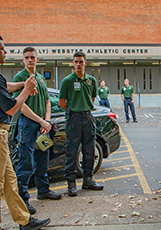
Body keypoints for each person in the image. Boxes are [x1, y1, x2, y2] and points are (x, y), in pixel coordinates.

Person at [0, 34, 50, 230]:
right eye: (2, 49)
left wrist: (23, 85)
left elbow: (5, 87)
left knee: (9, 181)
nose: (5, 52)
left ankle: (24, 220)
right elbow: (12, 108)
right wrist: (27, 89)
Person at [13, 46, 62, 215]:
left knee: (43, 158)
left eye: (32, 57)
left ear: (37, 59)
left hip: (43, 125)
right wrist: (41, 120)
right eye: (26, 57)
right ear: (23, 60)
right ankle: (23, 200)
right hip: (28, 124)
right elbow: (21, 105)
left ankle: (43, 191)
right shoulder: (20, 78)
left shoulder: (41, 79)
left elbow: (48, 101)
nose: (30, 60)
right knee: (26, 162)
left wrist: (46, 122)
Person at [58, 51, 104, 197]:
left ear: (85, 63)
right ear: (73, 63)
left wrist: (84, 108)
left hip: (88, 117)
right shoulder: (67, 81)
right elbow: (61, 103)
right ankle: (71, 184)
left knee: (89, 150)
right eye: (76, 61)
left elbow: (92, 98)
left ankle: (88, 179)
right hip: (74, 119)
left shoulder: (91, 80)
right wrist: (75, 110)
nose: (78, 64)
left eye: (81, 61)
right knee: (72, 151)